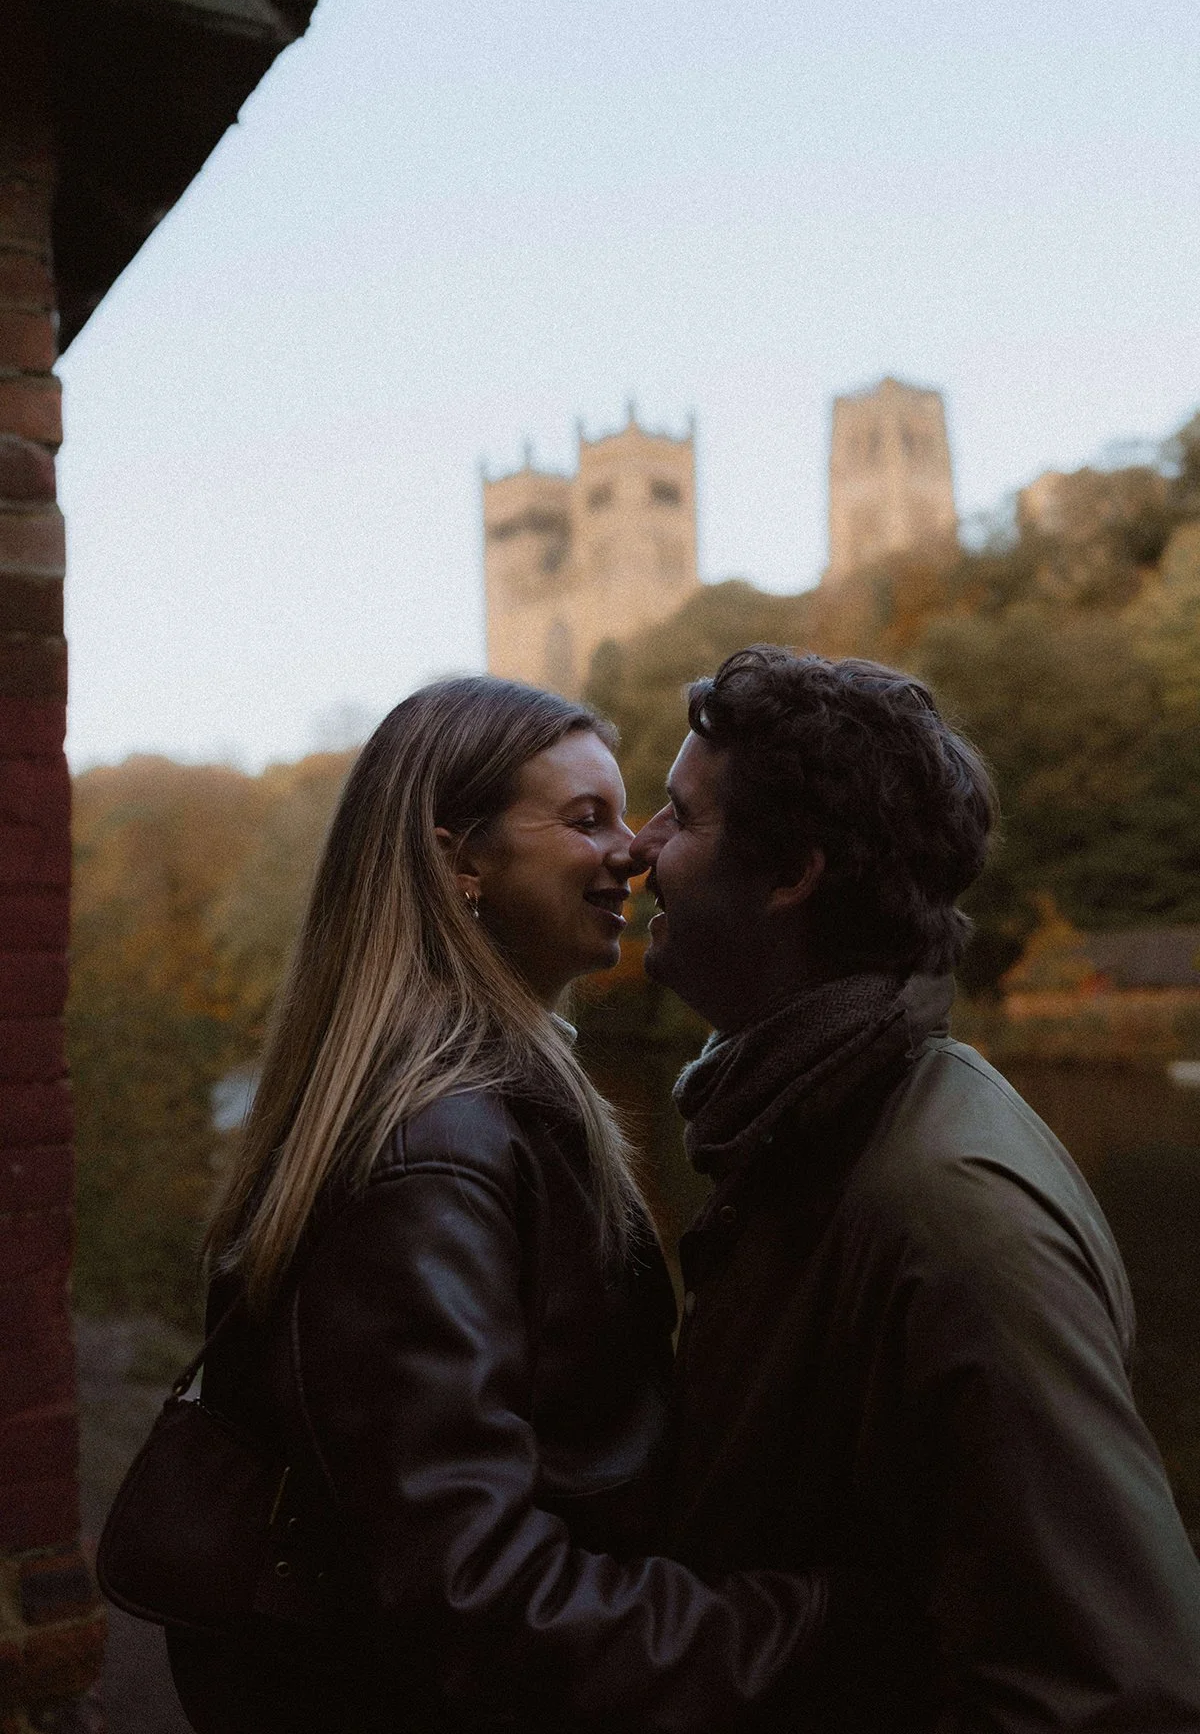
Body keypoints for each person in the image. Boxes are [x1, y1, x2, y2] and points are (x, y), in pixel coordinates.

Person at [166, 674, 850, 1734]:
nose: (633, 851)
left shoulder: (474, 1113)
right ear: (458, 860)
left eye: (626, 816)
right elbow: (469, 1599)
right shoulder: (433, 1155)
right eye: (587, 819)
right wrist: (818, 1633)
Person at [630, 645, 1200, 1732]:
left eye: (678, 816)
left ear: (793, 872)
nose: (640, 849)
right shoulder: (807, 1127)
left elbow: (1117, 1693)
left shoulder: (951, 1210)